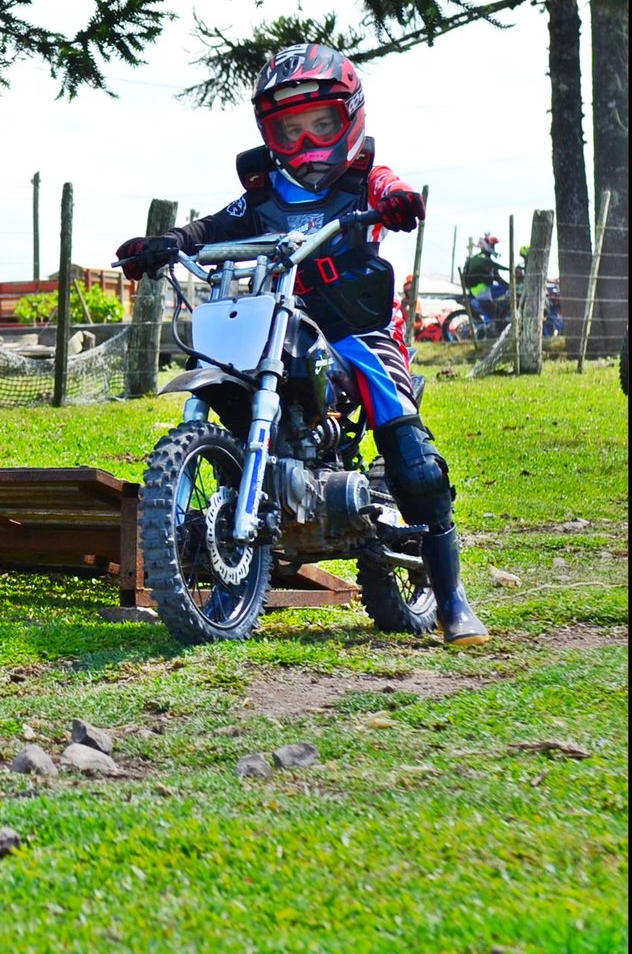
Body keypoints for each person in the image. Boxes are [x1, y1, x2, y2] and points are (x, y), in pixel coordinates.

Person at [115, 42, 487, 646]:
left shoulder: (366, 179)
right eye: (291, 129)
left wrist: (395, 203)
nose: (307, 140)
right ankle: (226, 546)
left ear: (349, 118)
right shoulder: (265, 192)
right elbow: (215, 225)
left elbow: (390, 188)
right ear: (271, 133)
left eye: (321, 123)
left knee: (411, 453)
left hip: (356, 325)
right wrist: (168, 242)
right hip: (277, 318)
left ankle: (451, 599)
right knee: (225, 370)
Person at [462, 233, 510, 317]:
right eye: (492, 245)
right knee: (496, 307)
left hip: (476, 288)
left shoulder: (480, 257)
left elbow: (496, 276)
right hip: (481, 289)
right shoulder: (484, 259)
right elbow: (497, 276)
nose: (493, 248)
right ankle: (491, 321)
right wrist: (510, 284)